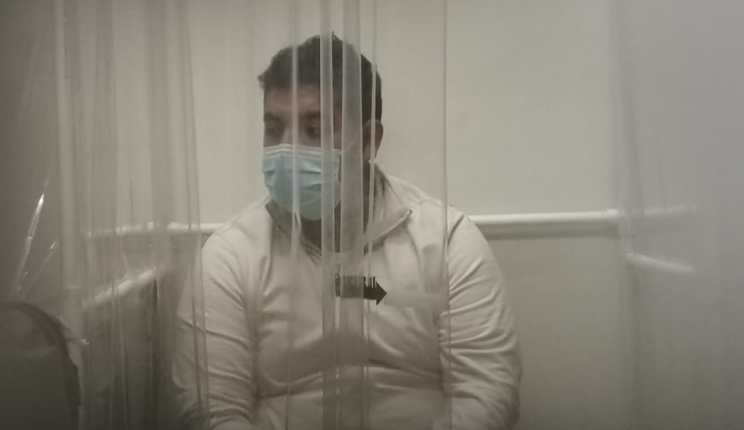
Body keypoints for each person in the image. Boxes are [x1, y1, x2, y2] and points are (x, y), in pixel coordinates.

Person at [174, 34, 521, 430]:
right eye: (273, 128)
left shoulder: (447, 240)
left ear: (370, 140)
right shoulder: (230, 256)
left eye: (315, 128)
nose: (287, 148)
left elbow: (488, 392)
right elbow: (213, 412)